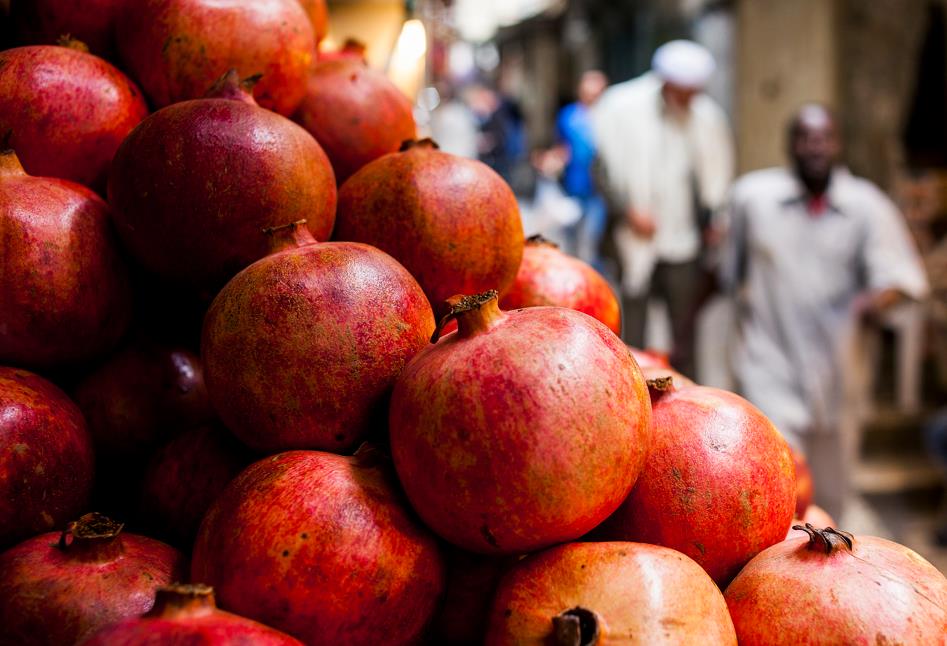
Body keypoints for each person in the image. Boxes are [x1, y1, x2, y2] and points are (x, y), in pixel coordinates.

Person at [719, 104, 929, 520]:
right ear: (789, 145)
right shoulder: (753, 199)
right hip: (769, 365)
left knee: (832, 498)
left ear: (837, 144)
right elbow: (727, 273)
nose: (814, 147)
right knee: (776, 484)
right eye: (804, 138)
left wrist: (875, 299)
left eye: (824, 138)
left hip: (839, 371)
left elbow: (902, 280)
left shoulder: (866, 206)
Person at [591, 40, 734, 376]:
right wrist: (628, 211)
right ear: (668, 84)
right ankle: (633, 393)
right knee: (632, 333)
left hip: (683, 240)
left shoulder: (706, 118)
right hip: (635, 238)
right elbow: (602, 171)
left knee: (685, 332)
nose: (688, 99)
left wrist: (715, 218)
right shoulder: (621, 107)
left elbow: (716, 176)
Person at [556, 70, 608, 269]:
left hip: (599, 191)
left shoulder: (609, 117)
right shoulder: (568, 116)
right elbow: (563, 146)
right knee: (571, 241)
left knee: (592, 242)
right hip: (573, 186)